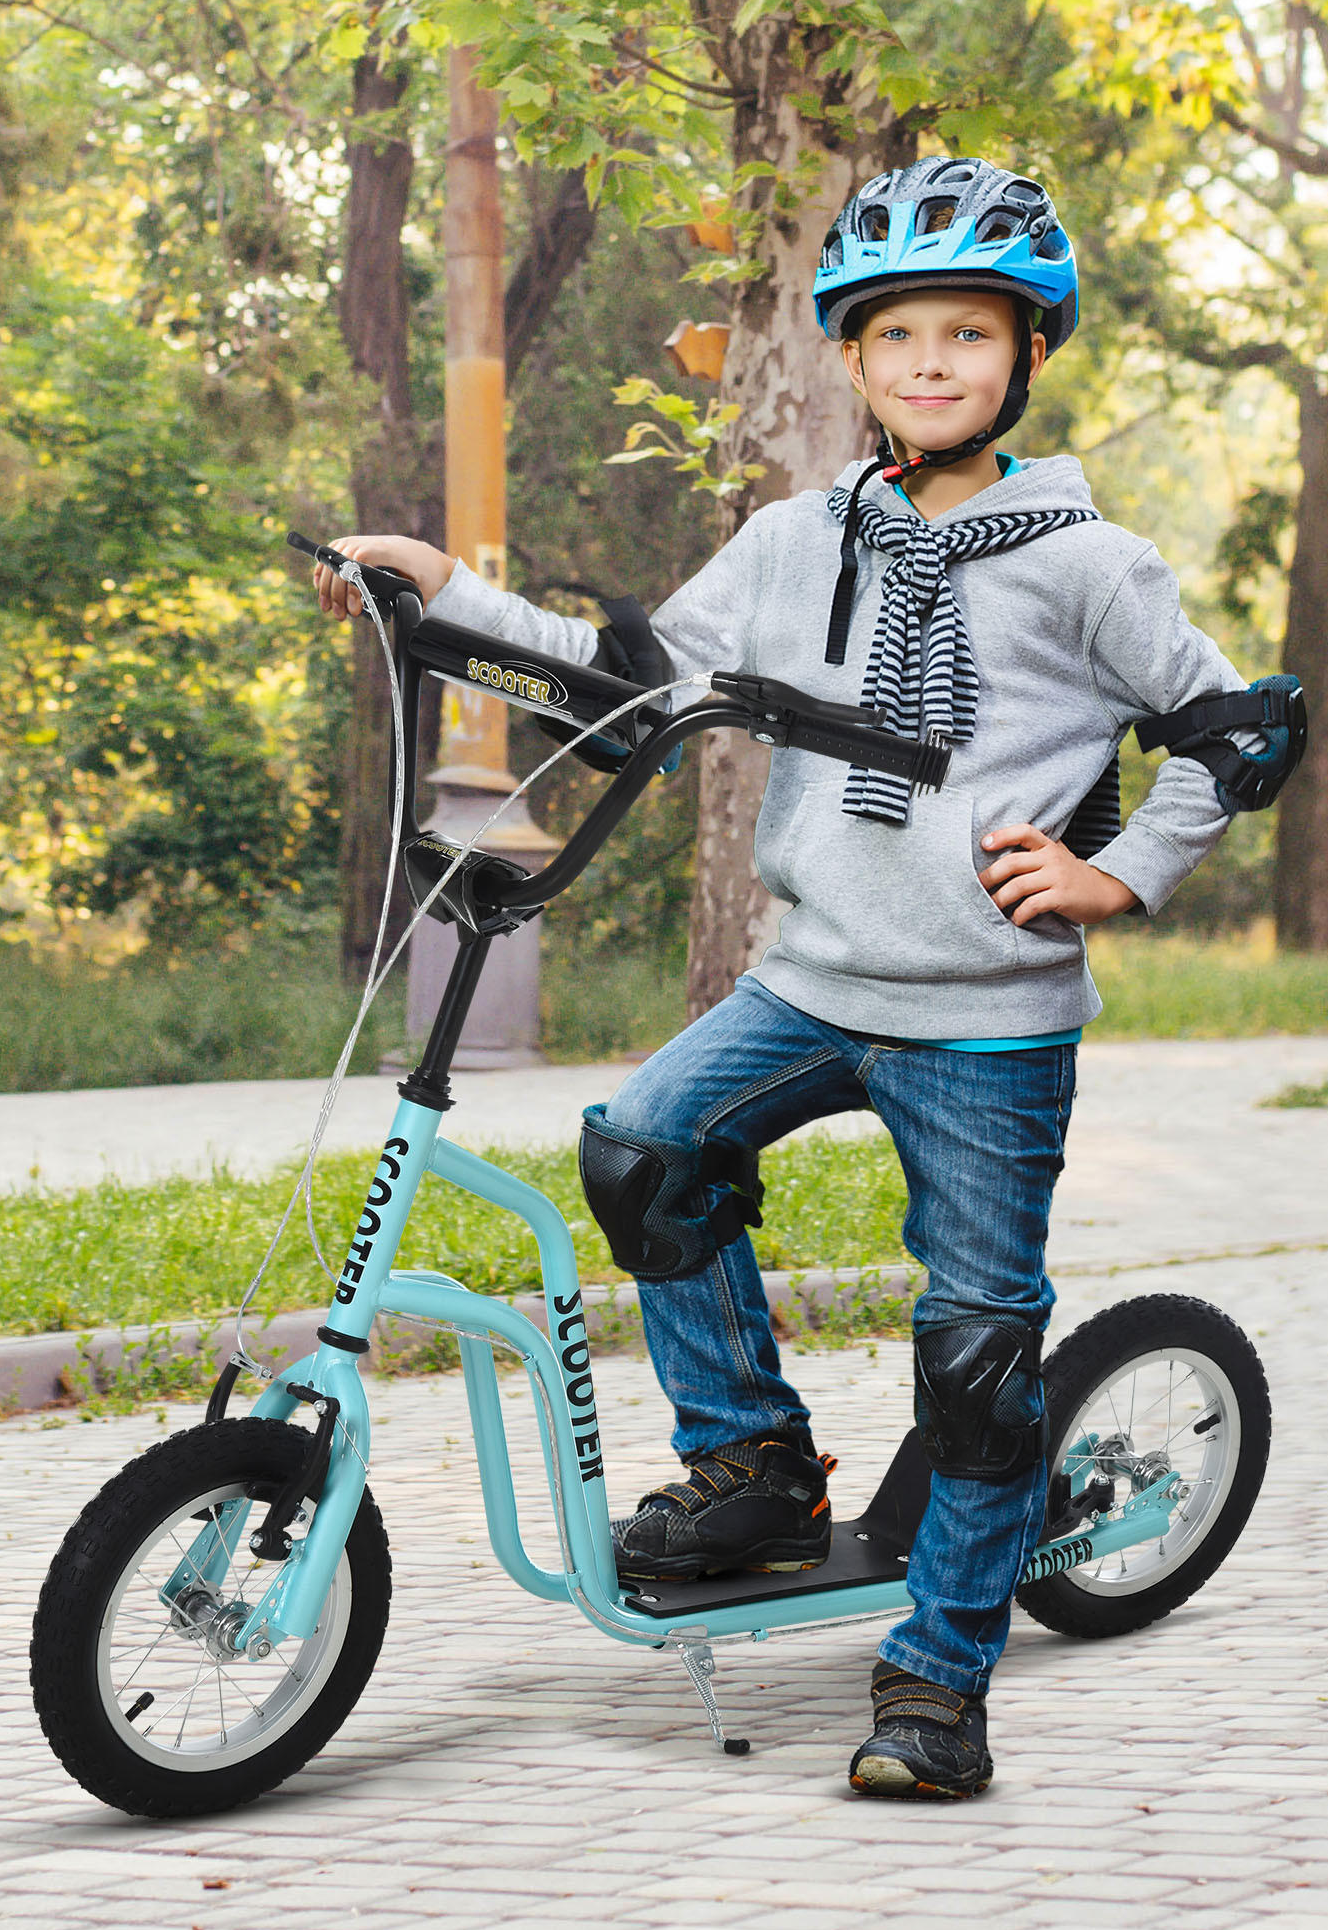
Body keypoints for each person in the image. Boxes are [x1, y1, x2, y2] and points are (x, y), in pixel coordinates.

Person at [317, 157, 1274, 1799]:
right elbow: (628, 683)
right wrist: (442, 588)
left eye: (966, 336)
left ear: (1025, 352)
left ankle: (938, 1684)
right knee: (646, 1148)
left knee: (976, 1360)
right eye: (897, 334)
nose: (928, 365)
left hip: (988, 1021)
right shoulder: (789, 543)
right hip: (810, 983)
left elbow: (1239, 726)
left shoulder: (1090, 562)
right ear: (850, 355)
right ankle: (751, 1464)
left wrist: (1118, 873)